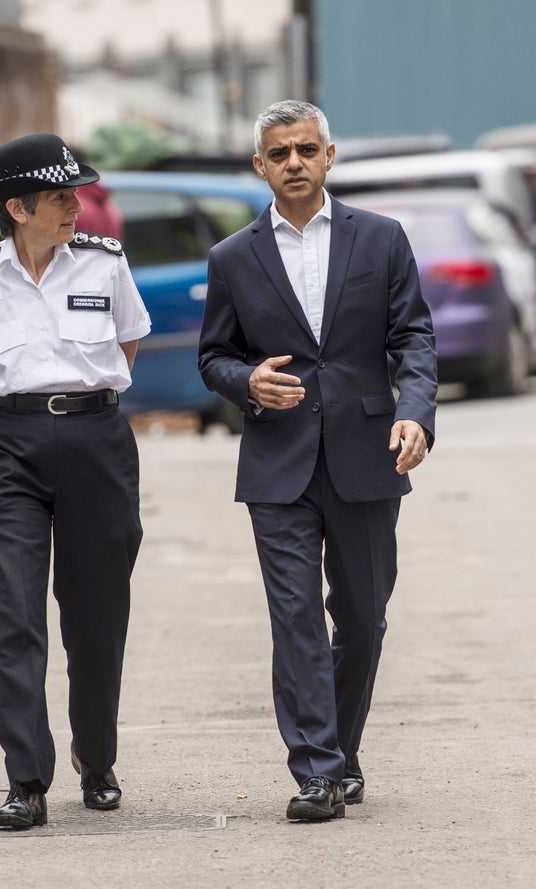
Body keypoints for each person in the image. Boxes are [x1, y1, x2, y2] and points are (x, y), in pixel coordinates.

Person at [198, 100, 437, 822]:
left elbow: (415, 341)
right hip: (278, 460)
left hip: (369, 456)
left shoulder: (383, 240)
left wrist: (414, 414)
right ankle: (317, 770)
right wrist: (246, 382)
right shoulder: (232, 258)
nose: (294, 162)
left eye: (306, 149)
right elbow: (214, 356)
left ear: (329, 156)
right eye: (280, 153)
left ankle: (340, 748)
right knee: (295, 616)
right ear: (260, 166)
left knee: (363, 620)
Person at [0, 132, 151, 829]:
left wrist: (72, 407)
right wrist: (19, 420)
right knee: (15, 617)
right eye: (61, 196)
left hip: (96, 439)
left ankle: (98, 758)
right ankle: (25, 778)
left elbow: (127, 344)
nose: (75, 205)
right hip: (8, 447)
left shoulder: (104, 263)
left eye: (76, 192)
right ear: (18, 208)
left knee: (95, 616)